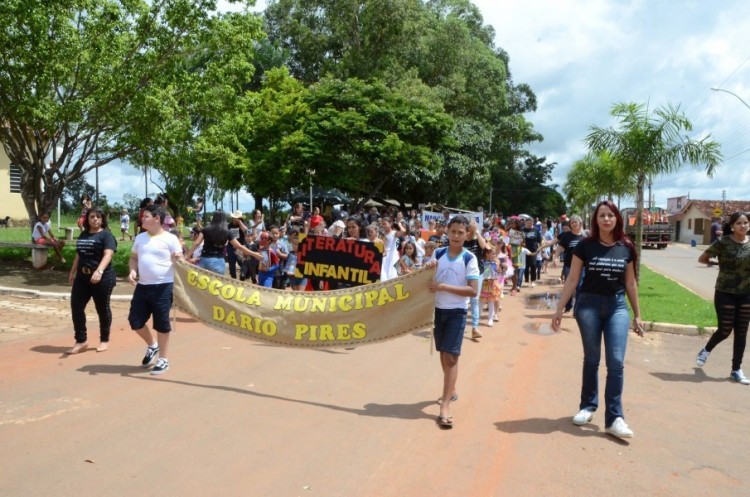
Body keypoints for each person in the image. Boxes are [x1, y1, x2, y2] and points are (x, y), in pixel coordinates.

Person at [551, 201, 644, 439]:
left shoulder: (626, 247)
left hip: (617, 307)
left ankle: (615, 418)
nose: (606, 219)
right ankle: (588, 406)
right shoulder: (585, 245)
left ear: (617, 219)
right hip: (589, 306)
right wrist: (559, 309)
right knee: (592, 359)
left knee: (616, 361)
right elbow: (572, 279)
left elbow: (631, 283)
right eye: (602, 215)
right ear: (595, 219)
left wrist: (638, 315)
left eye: (610, 215)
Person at [427, 214, 480, 429]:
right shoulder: (438, 254)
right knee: (443, 353)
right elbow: (426, 278)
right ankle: (452, 389)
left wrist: (443, 287)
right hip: (438, 312)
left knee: (451, 358)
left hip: (457, 313)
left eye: (461, 233)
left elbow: (472, 290)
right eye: (453, 232)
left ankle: (445, 405)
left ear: (467, 235)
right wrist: (426, 270)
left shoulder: (469, 259)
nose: (456, 236)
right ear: (446, 232)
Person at [127, 204, 184, 375]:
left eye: (146, 216)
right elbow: (133, 258)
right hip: (143, 286)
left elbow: (180, 263)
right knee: (135, 321)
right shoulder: (140, 238)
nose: (142, 219)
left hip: (164, 286)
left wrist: (176, 259)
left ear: (157, 219)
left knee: (161, 323)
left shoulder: (170, 239)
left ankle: (163, 360)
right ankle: (153, 345)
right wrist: (132, 270)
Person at [696, 211, 750, 385]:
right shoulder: (723, 242)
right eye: (739, 223)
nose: (743, 226)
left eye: (746, 223)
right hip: (725, 292)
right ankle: (706, 350)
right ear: (732, 226)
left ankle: (736, 369)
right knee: (725, 330)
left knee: (741, 332)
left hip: (746, 294)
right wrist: (717, 264)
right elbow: (702, 258)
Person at [66, 207, 118, 354]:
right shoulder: (83, 234)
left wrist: (99, 271)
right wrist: (72, 272)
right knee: (76, 306)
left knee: (102, 308)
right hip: (82, 277)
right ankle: (81, 340)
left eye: (98, 217)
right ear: (87, 220)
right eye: (92, 217)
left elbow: (108, 255)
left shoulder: (106, 236)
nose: (95, 219)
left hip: (102, 277)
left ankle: (104, 339)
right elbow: (78, 255)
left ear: (102, 219)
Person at [186, 211, 260, 275]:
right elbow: (239, 246)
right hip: (218, 261)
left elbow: (196, 243)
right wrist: (254, 254)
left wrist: (186, 257)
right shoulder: (227, 230)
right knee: (216, 286)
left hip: (205, 260)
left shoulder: (206, 229)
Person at [480, 246, 504, 326]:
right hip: (484, 284)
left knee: (491, 302)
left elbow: (499, 272)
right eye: (492, 254)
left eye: (494, 254)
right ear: (487, 254)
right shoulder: (482, 261)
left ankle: (490, 319)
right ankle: (477, 317)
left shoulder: (496, 261)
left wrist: (498, 269)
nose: (494, 255)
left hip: (493, 284)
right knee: (481, 302)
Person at [228, 210, 249, 279]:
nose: (234, 219)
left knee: (242, 262)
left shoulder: (243, 224)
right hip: (231, 246)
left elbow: (246, 231)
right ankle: (233, 275)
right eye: (234, 217)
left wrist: (240, 222)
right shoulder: (229, 225)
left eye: (236, 218)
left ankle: (243, 274)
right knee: (231, 262)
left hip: (241, 246)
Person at [522, 217, 542, 287]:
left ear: (533, 223)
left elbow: (540, 240)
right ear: (525, 223)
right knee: (526, 266)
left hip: (534, 250)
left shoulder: (536, 230)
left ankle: (533, 280)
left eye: (531, 223)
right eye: (528, 223)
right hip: (524, 250)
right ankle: (526, 280)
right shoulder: (522, 230)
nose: (529, 224)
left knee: (533, 265)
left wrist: (540, 249)